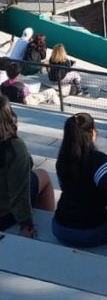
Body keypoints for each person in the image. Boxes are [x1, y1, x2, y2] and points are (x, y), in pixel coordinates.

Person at [52, 113, 107, 247]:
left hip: (59, 227)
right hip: (90, 232)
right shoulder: (99, 160)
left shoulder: (62, 159)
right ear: (92, 133)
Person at [0, 95, 55, 238]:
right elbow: (18, 193)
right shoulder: (13, 148)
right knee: (43, 175)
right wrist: (26, 224)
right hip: (4, 214)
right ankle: (48, 224)